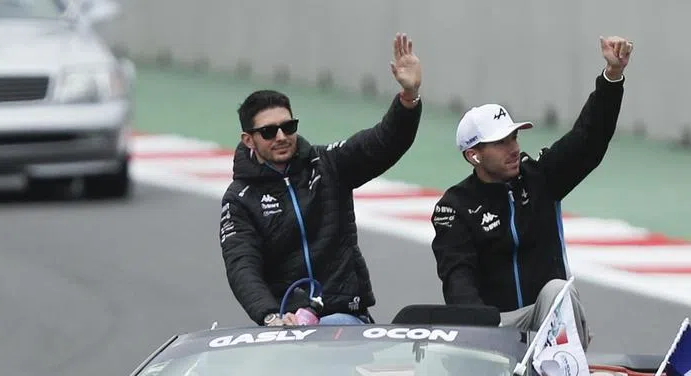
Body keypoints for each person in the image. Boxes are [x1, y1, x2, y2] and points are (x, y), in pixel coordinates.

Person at [429, 36, 635, 342]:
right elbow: (458, 282)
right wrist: (482, 336)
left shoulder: (540, 177)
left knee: (557, 290)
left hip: (546, 320)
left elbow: (589, 138)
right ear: (474, 155)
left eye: (514, 137)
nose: (513, 148)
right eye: (501, 142)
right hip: (493, 328)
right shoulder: (455, 207)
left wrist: (612, 76)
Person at [219, 33, 424, 328]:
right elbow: (242, 267)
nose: (281, 136)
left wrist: (408, 98)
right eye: (268, 131)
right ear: (248, 140)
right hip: (287, 325)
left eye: (288, 127)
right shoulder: (239, 199)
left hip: (346, 317)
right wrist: (270, 315)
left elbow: (383, 142)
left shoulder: (327, 163)